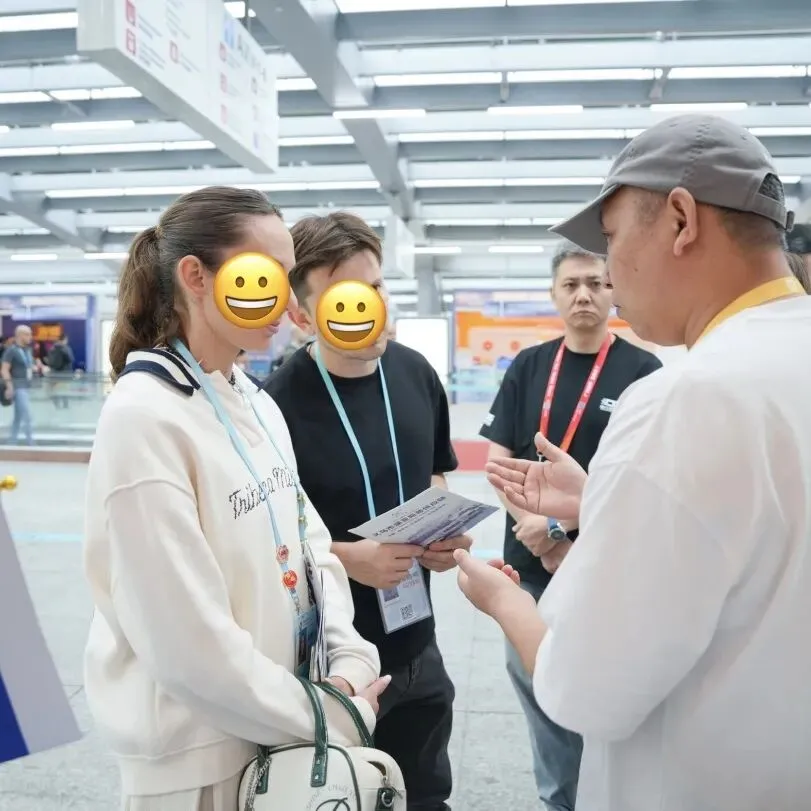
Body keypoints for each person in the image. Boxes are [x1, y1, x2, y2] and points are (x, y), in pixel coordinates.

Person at [454, 114, 811, 811]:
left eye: (611, 239)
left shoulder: (681, 398)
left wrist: (504, 601)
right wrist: (603, 501)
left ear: (680, 220)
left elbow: (586, 688)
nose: (609, 274)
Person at [83, 186, 388, 811]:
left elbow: (309, 546)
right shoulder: (144, 418)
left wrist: (349, 656)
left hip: (284, 735)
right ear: (196, 276)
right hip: (199, 758)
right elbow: (187, 645)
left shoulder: (255, 401)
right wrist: (327, 713)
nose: (286, 300)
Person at [264, 211, 470, 811]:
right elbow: (263, 538)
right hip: (334, 663)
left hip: (418, 641)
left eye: (375, 287)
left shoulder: (415, 372)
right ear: (302, 315)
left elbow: (433, 473)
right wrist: (346, 559)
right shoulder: (275, 406)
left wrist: (441, 534)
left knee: (426, 797)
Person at [479, 241, 661, 810]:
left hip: (609, 568)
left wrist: (561, 527)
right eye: (571, 284)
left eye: (596, 283)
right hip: (529, 568)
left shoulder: (644, 373)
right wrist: (534, 524)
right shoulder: (529, 366)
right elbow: (497, 461)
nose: (584, 294)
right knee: (542, 694)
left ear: (613, 290)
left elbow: (650, 479)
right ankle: (561, 802)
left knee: (609, 697)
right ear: (554, 295)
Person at [1, 325, 36, 445]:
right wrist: (9, 386)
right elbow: (4, 369)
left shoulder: (28, 350)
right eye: (27, 334)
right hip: (18, 387)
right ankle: (31, 444)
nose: (30, 337)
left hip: (26, 386)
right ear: (20, 335)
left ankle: (12, 442)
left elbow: (28, 366)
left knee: (18, 417)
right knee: (27, 416)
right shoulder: (11, 351)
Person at [46, 331, 75, 409]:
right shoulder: (66, 348)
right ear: (65, 339)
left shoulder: (52, 349)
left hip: (54, 375)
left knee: (55, 392)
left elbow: (49, 362)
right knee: (64, 392)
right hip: (65, 375)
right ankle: (65, 407)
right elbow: (71, 359)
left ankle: (57, 406)